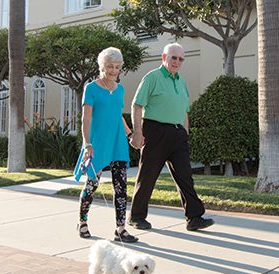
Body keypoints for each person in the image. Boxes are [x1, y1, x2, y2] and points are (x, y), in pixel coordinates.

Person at [128, 43, 215, 232]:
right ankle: (136, 217)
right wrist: (137, 132)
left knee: (185, 177)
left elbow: (184, 111)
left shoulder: (181, 82)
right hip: (155, 131)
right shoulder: (152, 77)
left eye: (180, 59)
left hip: (177, 135)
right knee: (148, 176)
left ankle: (194, 217)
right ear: (164, 57)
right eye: (173, 57)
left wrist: (185, 132)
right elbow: (137, 105)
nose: (176, 62)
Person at [77, 47, 138, 243]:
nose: (113, 70)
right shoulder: (91, 88)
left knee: (121, 187)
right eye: (110, 66)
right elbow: (85, 118)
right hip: (98, 143)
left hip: (118, 143)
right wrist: (87, 143)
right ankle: (82, 222)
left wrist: (130, 134)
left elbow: (117, 115)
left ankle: (121, 228)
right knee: (92, 185)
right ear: (102, 66)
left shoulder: (120, 89)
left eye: (117, 67)